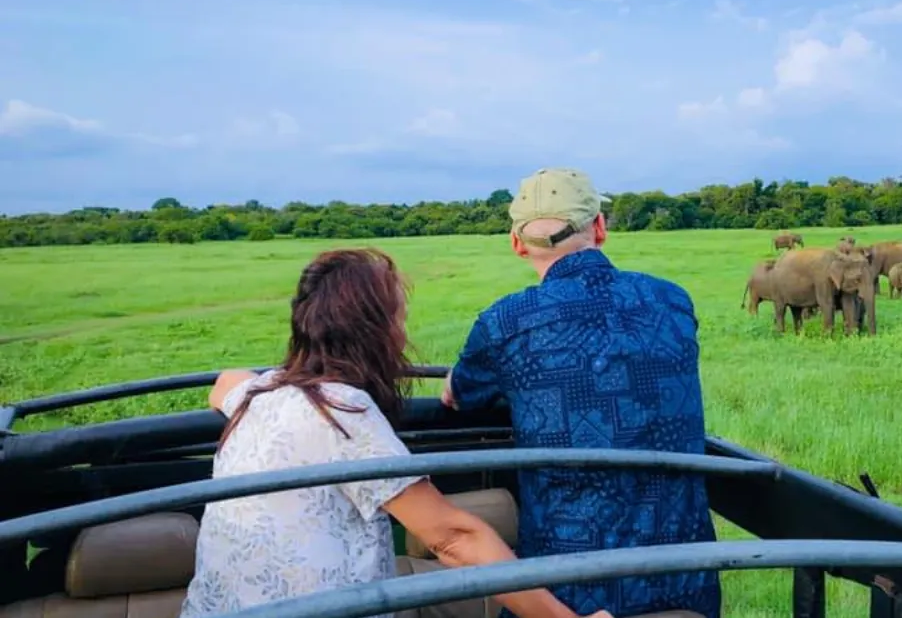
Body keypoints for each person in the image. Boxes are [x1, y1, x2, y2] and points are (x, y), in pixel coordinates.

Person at [179, 248, 610, 618]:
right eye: (398, 320)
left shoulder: (261, 393)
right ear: (375, 333)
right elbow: (453, 538)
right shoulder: (343, 413)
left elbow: (224, 383)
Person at [442, 168, 722, 618]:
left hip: (564, 594)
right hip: (685, 583)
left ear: (517, 243)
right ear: (599, 227)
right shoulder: (672, 300)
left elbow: (461, 394)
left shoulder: (505, 322)